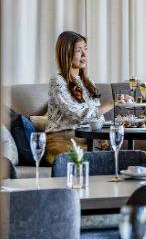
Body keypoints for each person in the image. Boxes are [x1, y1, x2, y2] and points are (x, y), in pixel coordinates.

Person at [45, 31, 116, 164]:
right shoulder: (57, 81)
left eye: (86, 49)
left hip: (87, 140)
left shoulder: (88, 82)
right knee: (96, 162)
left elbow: (96, 119)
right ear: (66, 54)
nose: (84, 54)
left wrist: (103, 139)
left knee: (114, 160)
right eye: (79, 50)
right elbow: (77, 114)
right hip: (61, 141)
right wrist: (111, 104)